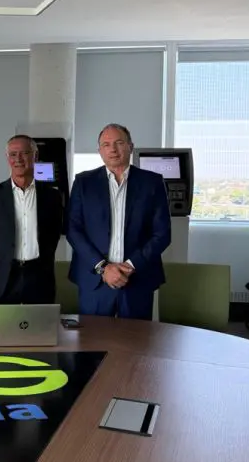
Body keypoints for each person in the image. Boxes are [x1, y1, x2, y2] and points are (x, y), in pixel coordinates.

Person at [66, 123, 171, 320]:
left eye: (119, 143)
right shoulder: (83, 182)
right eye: (106, 145)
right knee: (93, 336)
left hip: (138, 278)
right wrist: (104, 267)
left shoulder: (152, 182)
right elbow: (73, 230)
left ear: (130, 146)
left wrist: (130, 265)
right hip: (95, 279)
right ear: (99, 151)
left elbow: (162, 234)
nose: (112, 149)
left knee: (136, 337)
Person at [0, 134, 64, 306]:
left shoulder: (52, 196)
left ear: (35, 156)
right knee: (3, 323)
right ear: (7, 158)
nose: (18, 159)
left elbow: (53, 235)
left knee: (39, 323)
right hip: (3, 278)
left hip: (39, 277)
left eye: (24, 153)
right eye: (13, 154)